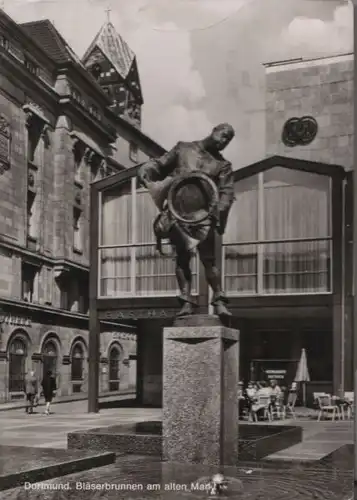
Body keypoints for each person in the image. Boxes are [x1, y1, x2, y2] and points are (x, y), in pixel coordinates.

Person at [138, 123, 236, 318]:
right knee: (182, 259)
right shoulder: (183, 148)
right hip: (178, 214)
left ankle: (219, 301)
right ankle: (185, 301)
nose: (224, 142)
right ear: (214, 130)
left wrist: (217, 214)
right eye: (224, 135)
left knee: (209, 261)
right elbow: (160, 164)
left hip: (203, 217)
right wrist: (147, 167)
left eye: (228, 140)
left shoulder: (223, 166)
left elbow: (226, 192)